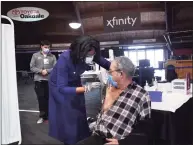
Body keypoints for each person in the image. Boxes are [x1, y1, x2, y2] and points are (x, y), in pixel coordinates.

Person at [48, 36, 111, 145]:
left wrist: (118, 70)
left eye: (93, 54)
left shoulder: (90, 53)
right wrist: (86, 88)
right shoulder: (65, 58)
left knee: (80, 109)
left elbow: (106, 63)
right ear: (80, 52)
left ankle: (81, 137)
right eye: (89, 55)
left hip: (74, 81)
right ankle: (69, 140)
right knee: (68, 115)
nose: (91, 57)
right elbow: (62, 88)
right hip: (59, 87)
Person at [76, 56, 151, 145]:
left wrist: (123, 142)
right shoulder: (109, 89)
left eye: (111, 72)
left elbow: (146, 132)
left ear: (121, 74)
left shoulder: (141, 95)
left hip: (114, 141)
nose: (109, 74)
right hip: (97, 137)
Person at [30, 40, 57, 124]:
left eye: (48, 47)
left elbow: (56, 67)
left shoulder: (52, 56)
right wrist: (41, 71)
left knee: (49, 99)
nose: (47, 49)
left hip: (49, 81)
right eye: (45, 47)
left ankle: (50, 117)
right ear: (41, 46)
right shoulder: (35, 55)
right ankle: (42, 117)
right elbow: (32, 67)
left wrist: (48, 71)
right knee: (41, 99)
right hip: (39, 80)